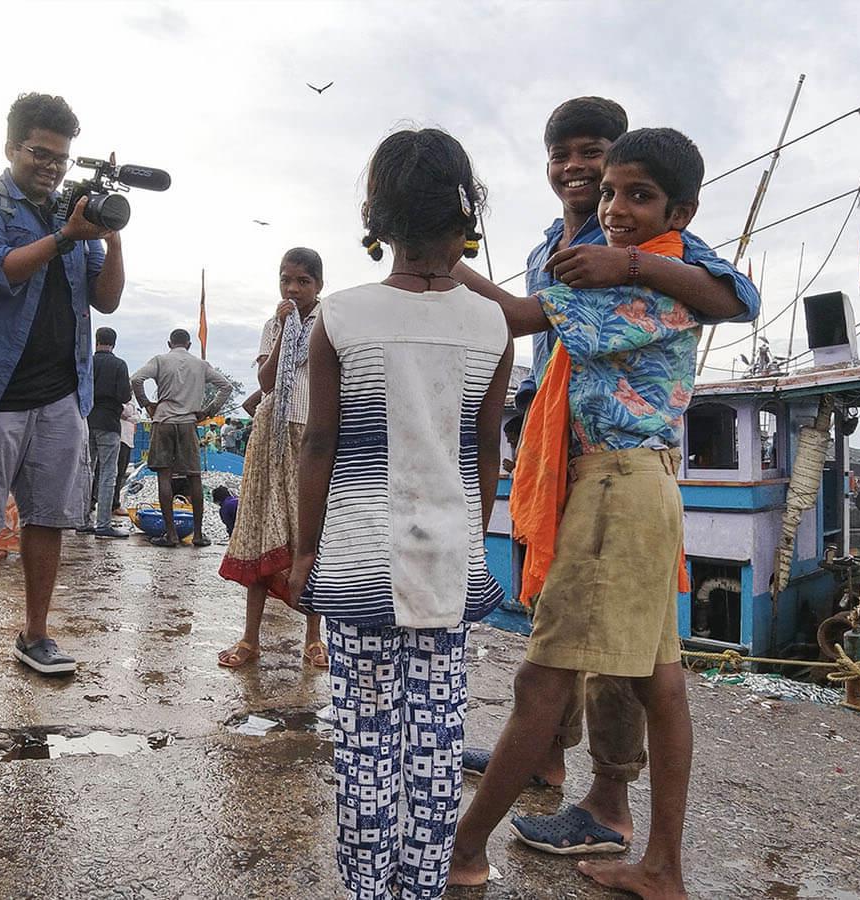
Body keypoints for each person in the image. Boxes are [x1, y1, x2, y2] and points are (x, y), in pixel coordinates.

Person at [453, 97, 760, 867]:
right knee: (587, 633)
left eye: (594, 153)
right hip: (560, 449)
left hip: (614, 467)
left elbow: (737, 297)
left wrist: (628, 261)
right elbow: (532, 326)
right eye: (562, 154)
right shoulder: (546, 246)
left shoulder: (649, 247)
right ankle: (553, 767)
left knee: (596, 655)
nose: (580, 171)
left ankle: (601, 803)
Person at [287, 127, 513, 900]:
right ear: (464, 218)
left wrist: (302, 551)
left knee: (365, 739)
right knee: (434, 740)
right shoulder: (492, 326)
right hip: (447, 556)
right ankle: (421, 885)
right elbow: (486, 452)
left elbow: (319, 442)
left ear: (375, 219)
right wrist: (469, 538)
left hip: (355, 557)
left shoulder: (341, 317)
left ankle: (366, 890)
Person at [0, 92, 125, 680]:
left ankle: (35, 634)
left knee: (50, 518)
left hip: (62, 394)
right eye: (40, 153)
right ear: (12, 146)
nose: (51, 166)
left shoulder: (75, 218)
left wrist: (111, 234)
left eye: (61, 157)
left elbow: (107, 298)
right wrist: (66, 236)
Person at [216, 248, 327, 669]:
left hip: (312, 435)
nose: (293, 289)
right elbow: (265, 381)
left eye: (303, 281)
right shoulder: (272, 324)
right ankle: (250, 639)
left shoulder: (330, 323)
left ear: (319, 284)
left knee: (310, 535)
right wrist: (284, 329)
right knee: (262, 529)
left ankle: (314, 638)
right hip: (271, 434)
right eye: (286, 280)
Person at [130, 328, 234, 548]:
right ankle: (197, 534)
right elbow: (226, 386)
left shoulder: (160, 360)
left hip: (164, 421)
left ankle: (171, 535)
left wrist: (147, 404)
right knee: (194, 477)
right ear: (188, 345)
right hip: (188, 423)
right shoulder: (200, 365)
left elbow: (137, 379)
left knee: (164, 477)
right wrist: (209, 410)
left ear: (169, 343)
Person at [86, 326, 131, 538]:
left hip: (86, 421)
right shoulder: (119, 365)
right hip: (109, 424)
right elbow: (124, 395)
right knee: (107, 474)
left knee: (86, 471)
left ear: (96, 341)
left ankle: (82, 520)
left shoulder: (87, 362)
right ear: (114, 343)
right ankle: (103, 524)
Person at [113, 400, 139, 516]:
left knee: (121, 472)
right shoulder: (124, 398)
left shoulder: (131, 400)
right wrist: (131, 413)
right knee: (116, 473)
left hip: (128, 440)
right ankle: (114, 504)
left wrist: (132, 415)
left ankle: (114, 502)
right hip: (121, 438)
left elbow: (136, 417)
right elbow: (126, 412)